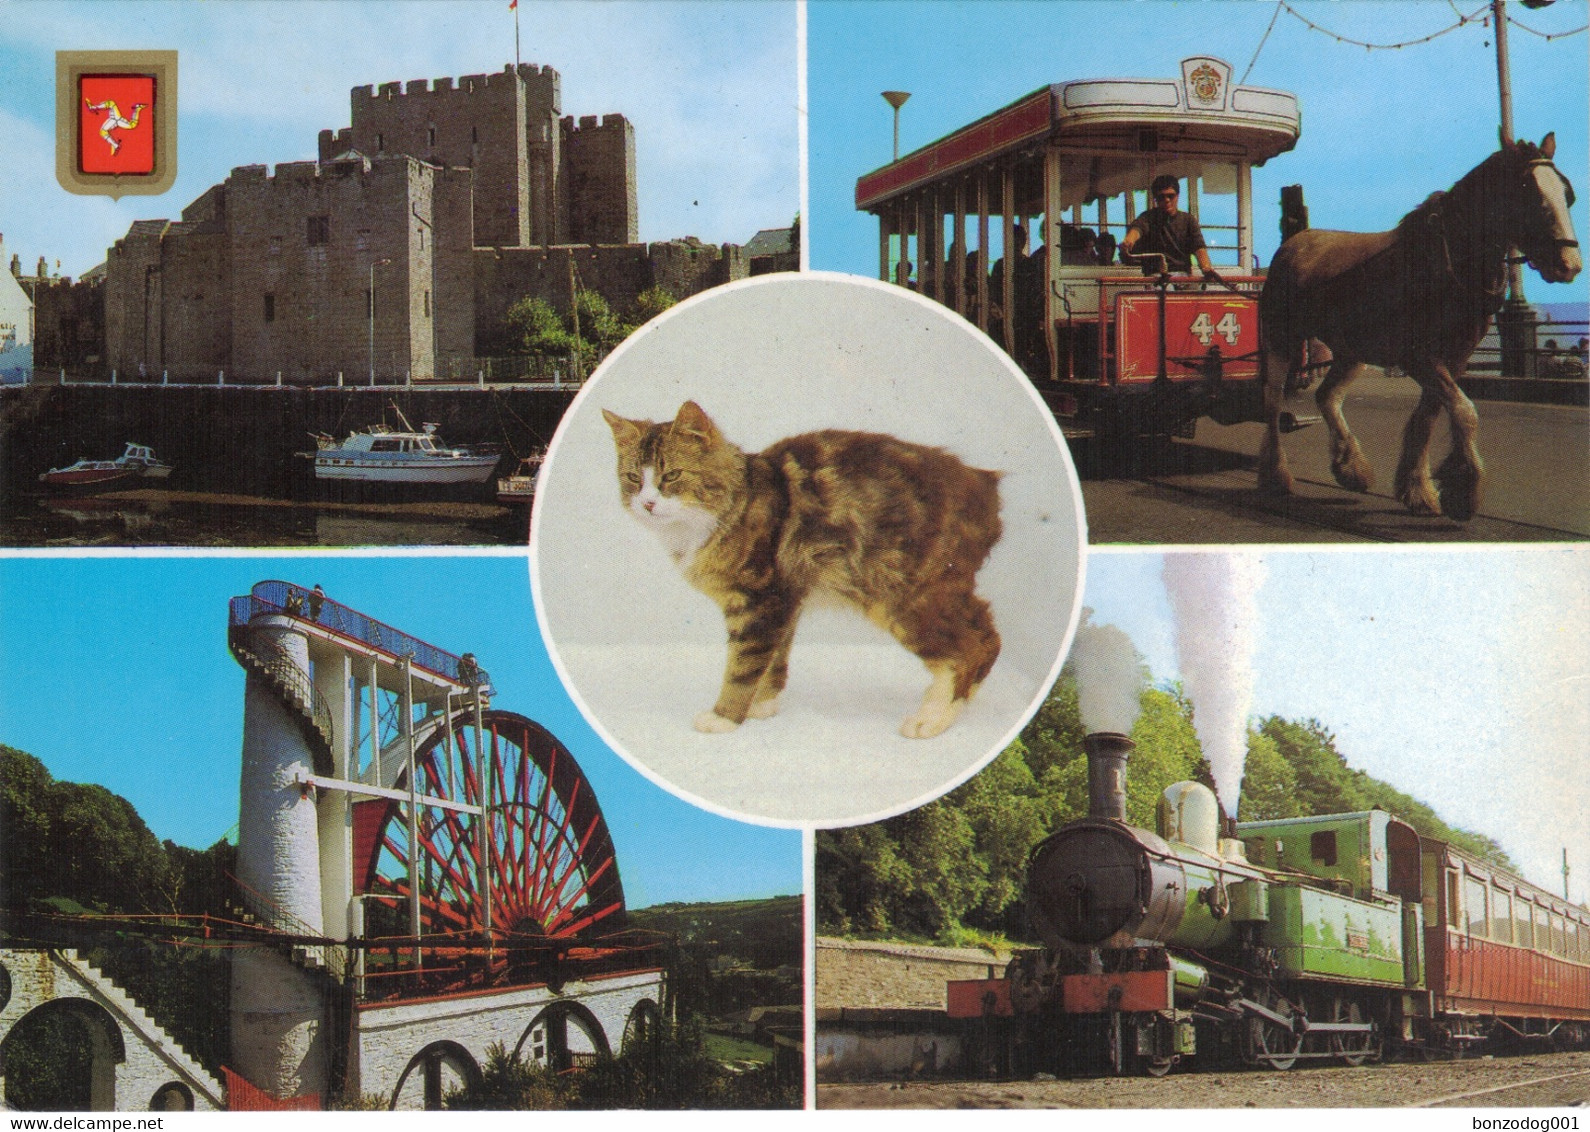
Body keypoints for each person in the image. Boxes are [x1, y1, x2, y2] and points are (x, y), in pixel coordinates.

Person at [1121, 175, 1218, 279]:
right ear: (1155, 199)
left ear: (1177, 196)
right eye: (1161, 197)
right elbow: (1138, 228)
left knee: (1194, 292)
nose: (1166, 200)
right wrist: (1129, 239)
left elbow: (1198, 246)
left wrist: (1206, 268)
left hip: (1183, 276)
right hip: (1156, 276)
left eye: (1170, 196)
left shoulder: (1188, 220)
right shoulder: (1147, 218)